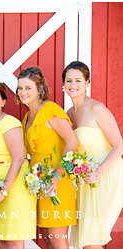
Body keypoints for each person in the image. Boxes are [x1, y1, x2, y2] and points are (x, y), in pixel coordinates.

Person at [62, 61, 123, 249]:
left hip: (104, 175)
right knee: (85, 238)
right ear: (63, 84)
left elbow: (119, 146)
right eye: (69, 80)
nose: (73, 85)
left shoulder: (96, 108)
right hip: (85, 179)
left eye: (78, 80)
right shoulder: (69, 113)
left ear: (87, 82)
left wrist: (98, 173)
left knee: (92, 238)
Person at [17, 66, 78, 248]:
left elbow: (72, 142)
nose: (23, 92)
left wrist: (57, 176)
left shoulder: (51, 109)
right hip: (40, 182)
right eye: (20, 88)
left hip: (58, 180)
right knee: (47, 237)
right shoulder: (27, 117)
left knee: (57, 238)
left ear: (40, 89)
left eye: (28, 88)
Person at [0, 80, 37, 247]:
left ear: (3, 102)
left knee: (13, 241)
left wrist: (3, 191)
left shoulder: (9, 122)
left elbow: (19, 157)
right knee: (3, 241)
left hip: (13, 187)